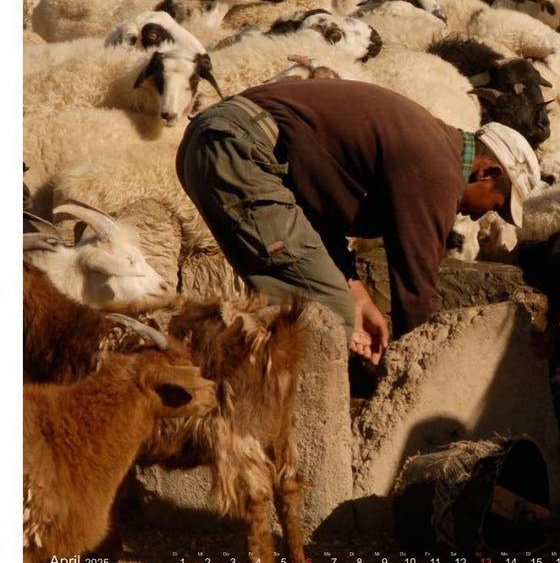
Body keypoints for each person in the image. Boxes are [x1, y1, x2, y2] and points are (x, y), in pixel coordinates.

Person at [176, 78, 541, 365]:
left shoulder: (430, 143)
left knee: (303, 307)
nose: (481, 215)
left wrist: (360, 300)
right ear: (487, 172)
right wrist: (416, 366)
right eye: (497, 204)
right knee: (326, 316)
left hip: (216, 142)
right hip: (237, 148)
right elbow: (416, 285)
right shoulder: (438, 170)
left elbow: (310, 220)